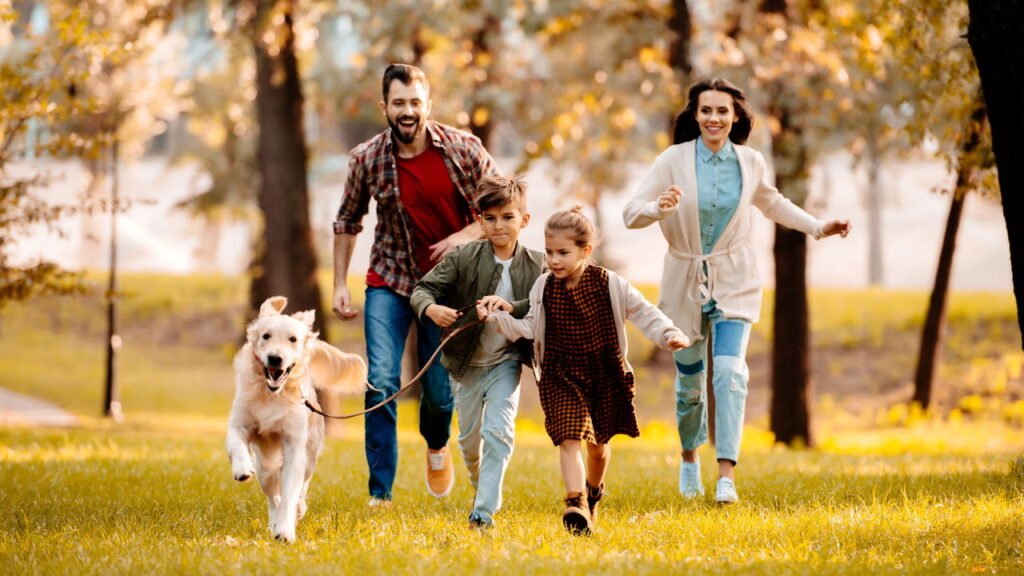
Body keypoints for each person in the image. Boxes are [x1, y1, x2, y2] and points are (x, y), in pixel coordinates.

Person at [622, 77, 852, 504]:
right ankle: (689, 459)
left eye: (722, 111)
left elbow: (773, 203)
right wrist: (658, 208)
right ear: (695, 115)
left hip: (735, 279)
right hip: (684, 279)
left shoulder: (750, 162)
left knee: (729, 373)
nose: (714, 118)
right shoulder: (672, 160)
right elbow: (630, 214)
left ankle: (726, 474)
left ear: (735, 117)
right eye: (706, 110)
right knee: (690, 384)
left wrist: (819, 226)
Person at [332, 63, 500, 506]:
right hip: (390, 281)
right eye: (398, 103)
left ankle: (436, 445)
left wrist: (463, 236)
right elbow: (347, 220)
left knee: (440, 395)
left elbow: (506, 205)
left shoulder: (465, 149)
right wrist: (339, 284)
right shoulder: (367, 158)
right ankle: (380, 493)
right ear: (384, 106)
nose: (407, 111)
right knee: (381, 380)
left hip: (448, 289)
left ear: (428, 104)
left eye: (414, 102)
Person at [479, 207, 690, 535]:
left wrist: (668, 334)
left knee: (598, 448)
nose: (553, 260)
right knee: (568, 436)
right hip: (560, 373)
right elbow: (530, 326)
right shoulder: (543, 286)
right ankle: (575, 502)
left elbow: (644, 311)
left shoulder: (610, 283)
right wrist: (498, 319)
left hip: (604, 373)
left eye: (563, 253)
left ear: (585, 250)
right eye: (549, 252)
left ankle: (592, 492)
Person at [410, 175, 544, 529]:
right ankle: (480, 485)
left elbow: (541, 304)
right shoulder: (463, 256)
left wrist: (511, 307)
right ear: (480, 220)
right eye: (491, 218)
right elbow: (422, 289)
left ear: (524, 220)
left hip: (506, 363)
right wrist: (431, 309)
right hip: (465, 364)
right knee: (470, 444)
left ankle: (482, 513)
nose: (499, 225)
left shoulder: (538, 264)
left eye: (508, 217)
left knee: (498, 432)